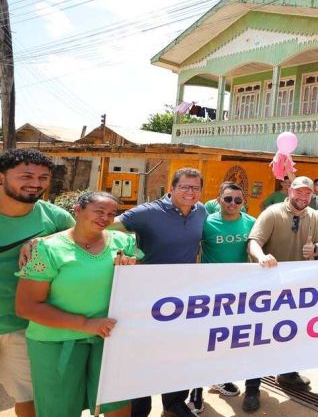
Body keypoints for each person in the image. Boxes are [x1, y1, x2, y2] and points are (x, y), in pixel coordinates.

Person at [16, 192, 139, 417]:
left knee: (117, 403)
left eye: (112, 214)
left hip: (108, 336)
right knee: (59, 409)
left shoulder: (124, 243)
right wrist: (86, 324)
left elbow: (135, 289)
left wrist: (132, 273)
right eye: (99, 211)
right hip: (55, 342)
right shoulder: (46, 250)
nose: (106, 218)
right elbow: (27, 306)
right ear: (78, 210)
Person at [111, 167, 207, 417]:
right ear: (172, 188)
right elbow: (107, 227)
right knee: (143, 354)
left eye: (195, 188)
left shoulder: (201, 211)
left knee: (178, 351)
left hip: (183, 295)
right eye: (184, 187)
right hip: (146, 295)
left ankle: (174, 402)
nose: (190, 192)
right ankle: (140, 408)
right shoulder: (148, 212)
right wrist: (130, 255)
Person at [0, 149, 74, 417]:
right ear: (2, 177)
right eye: (26, 175)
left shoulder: (55, 218)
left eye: (43, 177)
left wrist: (47, 240)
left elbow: (88, 236)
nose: (36, 182)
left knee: (30, 398)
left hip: (25, 325)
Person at [247, 176, 318, 394]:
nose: (303, 196)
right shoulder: (272, 213)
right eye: (299, 191)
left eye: (307, 193)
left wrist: (315, 249)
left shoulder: (314, 215)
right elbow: (254, 241)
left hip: (299, 286)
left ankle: (288, 373)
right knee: (261, 337)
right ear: (290, 191)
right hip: (269, 286)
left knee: (292, 333)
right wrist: (261, 256)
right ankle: (253, 386)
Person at [197, 183, 259, 412]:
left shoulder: (251, 222)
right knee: (206, 341)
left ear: (243, 202)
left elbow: (257, 249)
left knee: (231, 340)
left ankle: (219, 378)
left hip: (240, 292)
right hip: (211, 292)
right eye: (228, 199)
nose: (232, 203)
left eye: (237, 200)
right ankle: (196, 393)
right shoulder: (206, 222)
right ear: (219, 199)